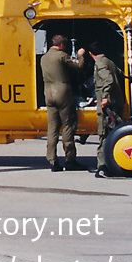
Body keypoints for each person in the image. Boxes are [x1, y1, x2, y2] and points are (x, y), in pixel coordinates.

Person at [40, 35, 86, 171]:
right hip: (63, 93)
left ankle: (52, 160)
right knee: (68, 126)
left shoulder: (44, 58)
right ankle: (70, 159)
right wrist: (80, 55)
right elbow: (79, 67)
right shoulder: (61, 56)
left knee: (52, 128)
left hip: (49, 94)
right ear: (61, 45)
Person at [89, 41, 123, 178]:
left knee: (103, 134)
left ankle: (102, 166)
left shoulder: (100, 64)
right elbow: (119, 74)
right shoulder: (109, 62)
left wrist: (105, 98)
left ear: (91, 54)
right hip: (116, 102)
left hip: (108, 106)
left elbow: (109, 80)